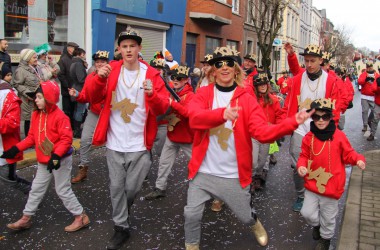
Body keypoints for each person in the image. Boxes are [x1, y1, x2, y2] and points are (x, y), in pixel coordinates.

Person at [183, 46, 313, 249]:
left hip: (233, 174)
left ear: (236, 69)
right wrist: (222, 114)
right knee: (191, 213)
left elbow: (262, 133)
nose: (224, 67)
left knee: (244, 215)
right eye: (219, 64)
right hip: (203, 172)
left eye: (229, 63)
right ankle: (191, 245)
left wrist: (291, 122)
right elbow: (194, 119)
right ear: (213, 71)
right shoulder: (203, 94)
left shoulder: (246, 99)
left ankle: (254, 223)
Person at [86, 26, 169, 250]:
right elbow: (90, 97)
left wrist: (152, 94)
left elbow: (163, 107)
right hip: (114, 142)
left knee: (130, 189)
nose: (129, 50)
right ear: (119, 49)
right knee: (116, 187)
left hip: (140, 144)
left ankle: (124, 207)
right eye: (125, 46)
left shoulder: (151, 74)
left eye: (133, 46)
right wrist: (98, 79)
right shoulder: (110, 70)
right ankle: (121, 227)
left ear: (139, 48)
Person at [1, 80, 90, 233]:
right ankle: (26, 218)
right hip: (44, 160)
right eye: (36, 97)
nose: (36, 100)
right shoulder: (36, 114)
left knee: (62, 189)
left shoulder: (60, 117)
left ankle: (80, 216)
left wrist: (55, 156)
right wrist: (15, 149)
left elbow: (66, 140)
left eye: (39, 97)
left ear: (49, 98)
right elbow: (31, 138)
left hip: (59, 160)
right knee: (36, 188)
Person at [297, 98, 366, 250]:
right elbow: (303, 155)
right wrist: (301, 166)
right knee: (307, 212)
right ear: (312, 118)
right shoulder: (309, 137)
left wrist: (358, 160)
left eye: (325, 117)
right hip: (312, 183)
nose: (321, 121)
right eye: (316, 117)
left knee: (328, 218)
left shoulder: (339, 136)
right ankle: (317, 225)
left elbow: (349, 154)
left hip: (331, 186)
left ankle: (325, 239)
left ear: (331, 117)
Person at [282, 43, 340, 212]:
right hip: (300, 125)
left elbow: (335, 107)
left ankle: (316, 193)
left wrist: (332, 127)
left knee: (318, 162)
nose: (309, 64)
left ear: (320, 60)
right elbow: (294, 67)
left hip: (321, 125)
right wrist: (291, 54)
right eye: (306, 61)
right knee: (297, 161)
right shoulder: (300, 76)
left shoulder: (330, 80)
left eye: (312, 61)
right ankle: (301, 195)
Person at [145, 65, 194, 200]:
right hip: (172, 134)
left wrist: (173, 103)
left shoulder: (191, 96)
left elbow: (188, 113)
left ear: (186, 80)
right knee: (164, 163)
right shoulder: (170, 91)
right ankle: (159, 188)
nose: (176, 80)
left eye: (180, 78)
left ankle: (202, 189)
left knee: (197, 164)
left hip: (187, 137)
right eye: (173, 77)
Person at [69, 50, 109, 183]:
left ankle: (124, 170)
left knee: (116, 142)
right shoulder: (91, 77)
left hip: (111, 114)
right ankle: (83, 169)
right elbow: (86, 96)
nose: (99, 64)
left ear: (107, 63)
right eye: (97, 62)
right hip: (95, 112)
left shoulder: (114, 76)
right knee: (85, 140)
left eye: (102, 62)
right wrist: (77, 95)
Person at [0, 64, 32, 194]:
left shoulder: (8, 95)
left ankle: (34, 194)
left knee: (9, 178)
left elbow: (12, 123)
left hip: (4, 148)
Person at [251, 73, 282, 190]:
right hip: (254, 135)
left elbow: (279, 115)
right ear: (256, 86)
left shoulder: (274, 100)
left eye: (264, 83)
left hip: (267, 135)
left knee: (262, 160)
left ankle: (258, 176)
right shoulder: (252, 100)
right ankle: (251, 179)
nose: (263, 86)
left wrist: (276, 129)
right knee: (253, 161)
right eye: (260, 84)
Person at [11, 49, 41, 137]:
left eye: (36, 57)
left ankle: (35, 137)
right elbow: (16, 84)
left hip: (36, 98)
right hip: (27, 99)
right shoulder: (20, 70)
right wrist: (28, 93)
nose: (36, 59)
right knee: (29, 119)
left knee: (35, 118)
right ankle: (29, 139)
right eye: (34, 57)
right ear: (28, 59)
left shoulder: (35, 68)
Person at [57, 42, 79, 122]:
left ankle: (73, 127)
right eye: (74, 48)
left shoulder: (74, 58)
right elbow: (60, 75)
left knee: (74, 110)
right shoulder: (63, 59)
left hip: (75, 89)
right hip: (67, 91)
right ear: (69, 48)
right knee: (67, 111)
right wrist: (68, 86)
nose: (76, 50)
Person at [70, 47, 87, 138]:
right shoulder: (78, 64)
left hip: (76, 87)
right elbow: (81, 79)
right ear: (80, 54)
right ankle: (77, 130)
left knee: (78, 110)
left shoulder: (73, 62)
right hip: (80, 89)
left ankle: (76, 129)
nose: (84, 56)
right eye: (83, 54)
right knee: (80, 110)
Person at [358, 61, 378, 133]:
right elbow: (359, 81)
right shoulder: (364, 74)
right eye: (368, 67)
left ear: (372, 67)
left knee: (374, 111)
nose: (369, 68)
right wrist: (365, 79)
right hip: (365, 96)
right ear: (366, 68)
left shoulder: (376, 75)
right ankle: (365, 125)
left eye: (370, 67)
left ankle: (370, 121)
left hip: (373, 96)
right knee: (364, 111)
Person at [368, 76, 380, 141]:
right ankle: (372, 134)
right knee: (375, 119)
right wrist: (378, 88)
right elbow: (373, 89)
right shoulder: (378, 79)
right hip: (378, 103)